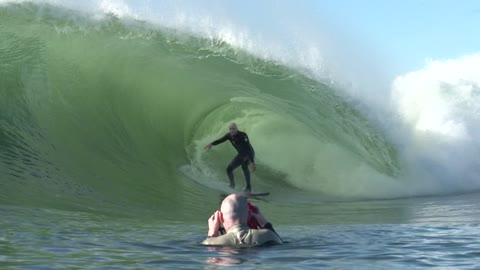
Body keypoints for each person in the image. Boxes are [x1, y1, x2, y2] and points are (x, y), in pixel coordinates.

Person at [202, 194, 283, 246]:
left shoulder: (212, 243)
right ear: (249, 215)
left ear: (220, 218)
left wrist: (211, 234)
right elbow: (280, 242)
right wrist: (265, 223)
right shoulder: (268, 235)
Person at [205, 123, 256, 192]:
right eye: (230, 129)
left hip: (249, 153)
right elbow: (221, 140)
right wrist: (211, 143)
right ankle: (232, 185)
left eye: (233, 129)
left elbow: (248, 149)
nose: (232, 130)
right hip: (241, 154)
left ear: (236, 129)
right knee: (229, 169)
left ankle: (248, 187)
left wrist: (252, 161)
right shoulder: (229, 136)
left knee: (244, 167)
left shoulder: (243, 135)